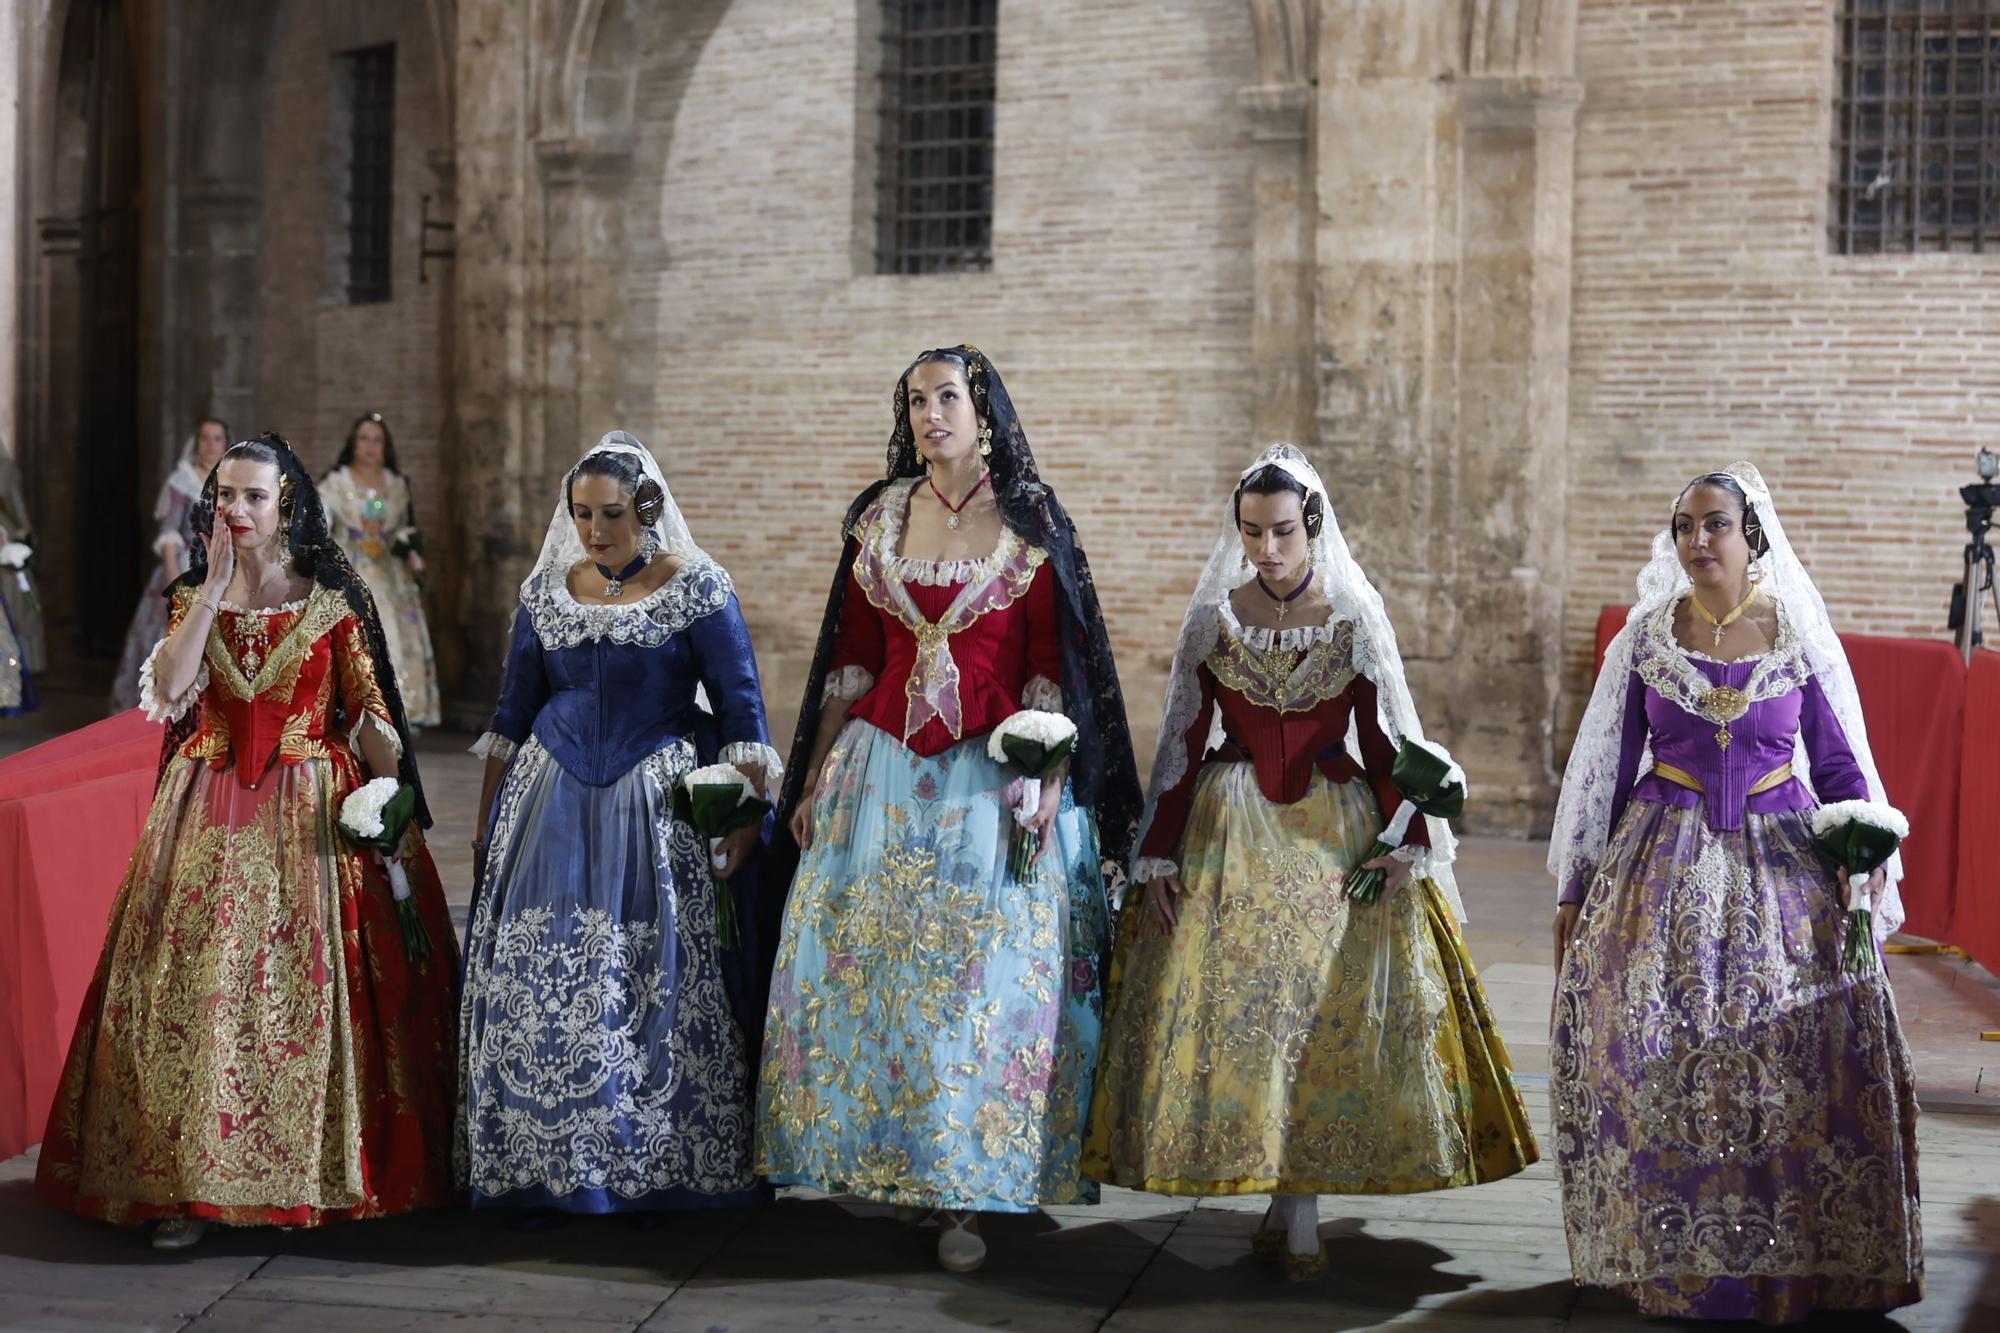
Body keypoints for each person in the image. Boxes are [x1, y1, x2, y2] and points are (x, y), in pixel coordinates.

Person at [1081, 444, 1537, 1279]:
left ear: (1312, 524)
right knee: (1255, 1016)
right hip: (1232, 824)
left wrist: (1409, 839)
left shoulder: (1353, 615)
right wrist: (1156, 856)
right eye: (1252, 532)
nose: (1267, 549)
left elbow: (1392, 740)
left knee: (1319, 1011)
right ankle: (1285, 1198)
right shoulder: (1215, 618)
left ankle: (1298, 1204)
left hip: (1335, 823)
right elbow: (1182, 744)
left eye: (1283, 531)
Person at [756, 345, 1142, 1274]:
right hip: (877, 776)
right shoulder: (879, 517)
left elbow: (1053, 663)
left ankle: (964, 1187)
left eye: (949, 397)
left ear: (985, 411)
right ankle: (884, 1166)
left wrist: (1047, 781)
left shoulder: (1032, 523)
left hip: (989, 781)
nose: (932, 414)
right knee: (866, 977)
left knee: (976, 989)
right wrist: (810, 780)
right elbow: (849, 659)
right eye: (917, 400)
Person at [35, 433, 459, 1250]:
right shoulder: (193, 596)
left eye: (253, 496)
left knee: (303, 990)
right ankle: (180, 1185)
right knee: (198, 990)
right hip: (210, 802)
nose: (234, 509)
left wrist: (384, 788)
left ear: (286, 506)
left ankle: (316, 1174)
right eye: (225, 495)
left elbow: (370, 713)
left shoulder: (332, 601)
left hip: (309, 813)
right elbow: (168, 688)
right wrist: (217, 584)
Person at [1548, 463, 1922, 1322]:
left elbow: (1837, 763)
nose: (1697, 541)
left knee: (1792, 1059)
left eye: (1714, 524)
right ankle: (1673, 1250)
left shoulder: (1793, 631)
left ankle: (1790, 1254)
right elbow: (1604, 767)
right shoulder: (1647, 635)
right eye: (1684, 526)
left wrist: (1863, 856)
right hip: (1661, 858)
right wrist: (1577, 882)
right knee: (1657, 1045)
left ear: (1751, 533)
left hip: (1781, 861)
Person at [459, 432, 780, 1222]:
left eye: (609, 514)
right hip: (549, 804)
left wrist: (740, 815)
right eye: (580, 514)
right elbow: (511, 713)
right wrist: (486, 819)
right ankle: (541, 1160)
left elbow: (741, 710)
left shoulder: (696, 587)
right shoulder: (548, 591)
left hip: (653, 805)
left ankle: (646, 1160)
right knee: (550, 973)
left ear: (646, 509)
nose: (594, 531)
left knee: (642, 979)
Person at [321, 412, 440, 725]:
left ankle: (402, 709)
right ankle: (356, 705)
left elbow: (405, 528)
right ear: (353, 443)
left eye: (377, 440)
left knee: (398, 634)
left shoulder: (397, 485)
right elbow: (321, 528)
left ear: (385, 446)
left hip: (391, 575)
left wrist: (412, 554)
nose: (370, 446)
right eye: (364, 438)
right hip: (352, 569)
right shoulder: (336, 483)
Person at [109, 419, 229, 711]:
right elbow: (169, 533)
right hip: (184, 567)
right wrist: (175, 576)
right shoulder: (182, 481)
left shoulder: (231, 481)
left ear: (226, 444)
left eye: (217, 438)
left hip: (223, 570)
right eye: (205, 438)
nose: (210, 444)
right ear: (196, 442)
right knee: (168, 639)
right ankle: (157, 708)